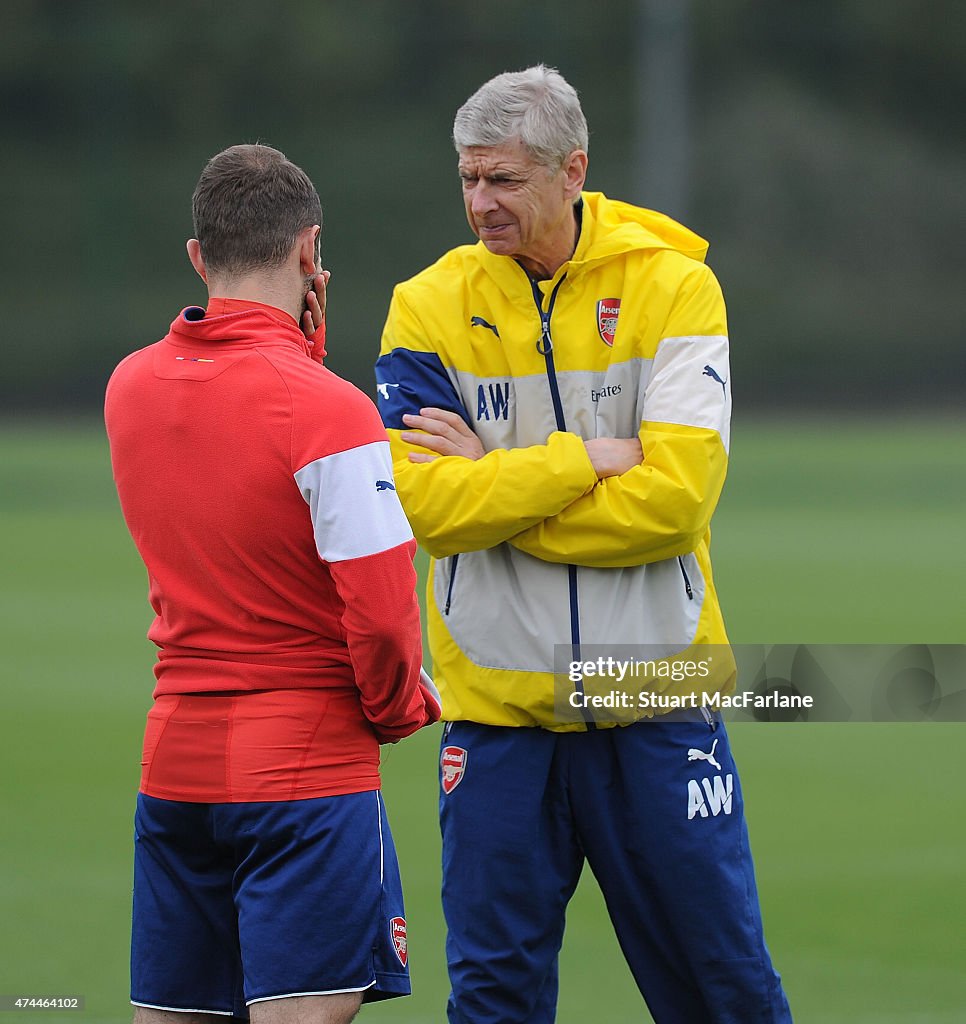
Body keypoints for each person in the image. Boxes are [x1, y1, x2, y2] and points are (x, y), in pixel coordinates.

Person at [375, 67, 793, 1023]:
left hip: (655, 705)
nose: (481, 204)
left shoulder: (678, 287)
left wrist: (500, 475)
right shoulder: (426, 307)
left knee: (724, 992)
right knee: (494, 1003)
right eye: (469, 179)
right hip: (500, 718)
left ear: (574, 170)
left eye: (505, 182)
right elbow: (430, 512)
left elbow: (675, 505)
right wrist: (584, 462)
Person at [105, 143, 440, 1024]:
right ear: (309, 253)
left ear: (196, 256)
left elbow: (226, 484)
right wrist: (401, 708)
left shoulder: (129, 388)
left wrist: (302, 349)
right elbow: (382, 617)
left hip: (174, 768)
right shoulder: (331, 409)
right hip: (305, 777)